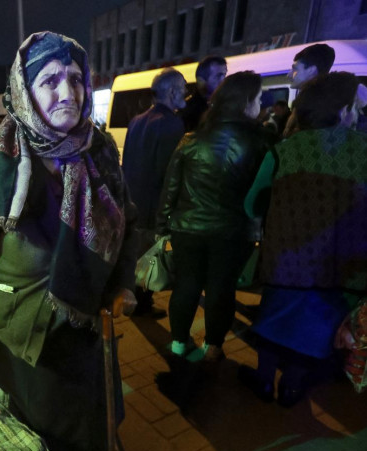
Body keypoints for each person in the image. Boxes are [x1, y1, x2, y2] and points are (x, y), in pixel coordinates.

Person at [0, 31, 139, 451]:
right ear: (25, 90)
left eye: (75, 78)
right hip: (20, 326)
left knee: (90, 419)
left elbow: (127, 222)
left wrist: (124, 282)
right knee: (34, 423)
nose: (66, 92)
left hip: (85, 315)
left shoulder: (100, 150)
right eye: (49, 80)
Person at [242, 72, 367, 407]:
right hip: (342, 270)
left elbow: (251, 203)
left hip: (286, 264)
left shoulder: (283, 151)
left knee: (272, 325)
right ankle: (293, 388)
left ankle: (264, 382)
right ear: (342, 111)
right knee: (313, 332)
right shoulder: (364, 151)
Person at [156, 71, 270, 362]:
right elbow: (264, 194)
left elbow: (170, 188)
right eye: (258, 98)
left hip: (187, 228)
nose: (261, 103)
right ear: (245, 103)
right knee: (221, 289)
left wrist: (164, 225)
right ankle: (213, 347)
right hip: (234, 232)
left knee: (186, 285)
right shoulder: (261, 142)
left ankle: (180, 343)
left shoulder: (191, 139)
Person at [121, 68, 186, 317]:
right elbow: (169, 173)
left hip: (134, 199)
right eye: (182, 88)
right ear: (170, 92)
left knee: (136, 253)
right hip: (154, 203)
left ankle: (135, 301)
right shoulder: (171, 123)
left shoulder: (137, 121)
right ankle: (141, 304)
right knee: (148, 257)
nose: (185, 94)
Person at [283, 43, 335, 138]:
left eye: (295, 69)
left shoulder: (312, 105)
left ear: (311, 70)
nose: (289, 75)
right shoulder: (328, 99)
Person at [179, 55, 227, 132]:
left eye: (224, 75)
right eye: (218, 76)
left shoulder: (225, 105)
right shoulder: (188, 110)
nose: (223, 80)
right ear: (201, 80)